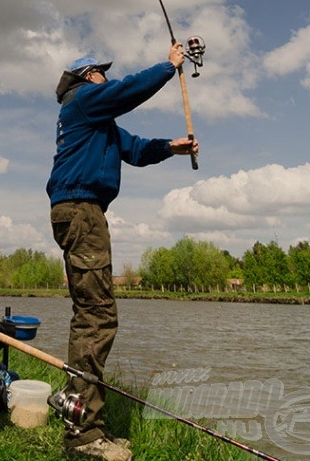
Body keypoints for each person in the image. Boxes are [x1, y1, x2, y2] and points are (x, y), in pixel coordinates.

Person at [47, 44, 198, 461]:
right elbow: (129, 90)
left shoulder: (100, 122)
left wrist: (172, 147)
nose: (107, 80)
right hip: (81, 211)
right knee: (96, 317)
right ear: (86, 76)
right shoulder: (82, 102)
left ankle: (84, 419)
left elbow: (136, 150)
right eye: (102, 73)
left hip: (84, 211)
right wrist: (169, 67)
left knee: (95, 315)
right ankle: (82, 435)